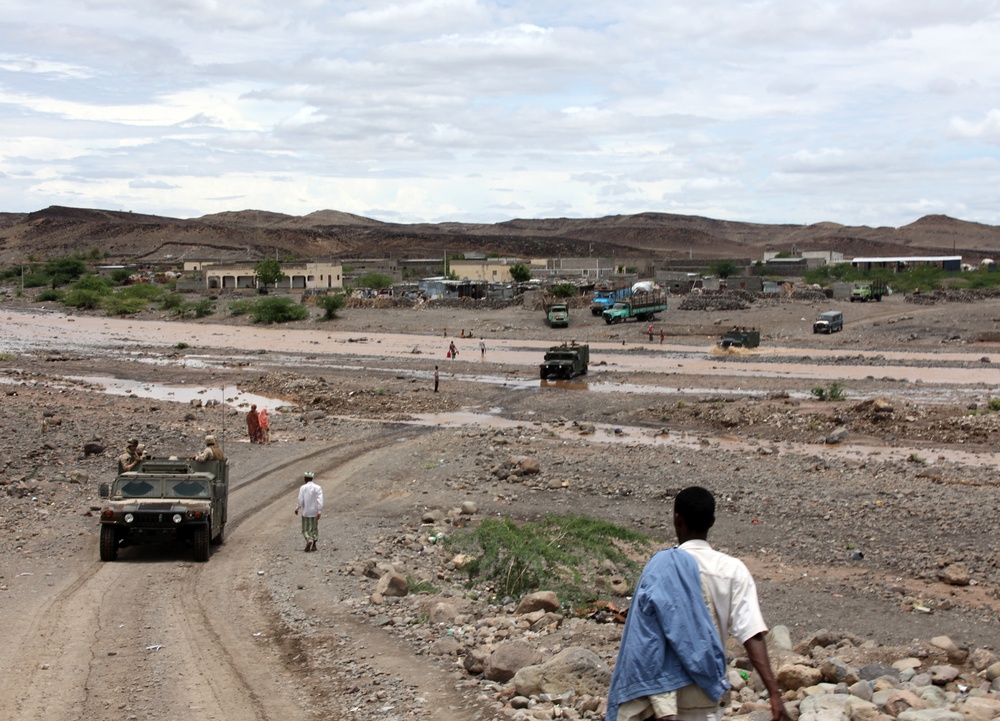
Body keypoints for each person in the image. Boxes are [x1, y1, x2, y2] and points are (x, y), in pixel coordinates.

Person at [607, 486, 789, 721]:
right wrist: (774, 693)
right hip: (704, 692)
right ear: (712, 521)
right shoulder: (732, 570)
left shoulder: (660, 568)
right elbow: (751, 634)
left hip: (661, 697)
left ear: (676, 519)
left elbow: (643, 638)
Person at [294, 472, 324, 552]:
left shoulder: (303, 488)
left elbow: (300, 500)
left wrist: (297, 508)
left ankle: (308, 540)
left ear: (305, 479)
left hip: (306, 512)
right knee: (314, 528)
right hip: (315, 512)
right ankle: (314, 545)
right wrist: (319, 511)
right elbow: (320, 500)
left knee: (305, 529)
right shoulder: (318, 487)